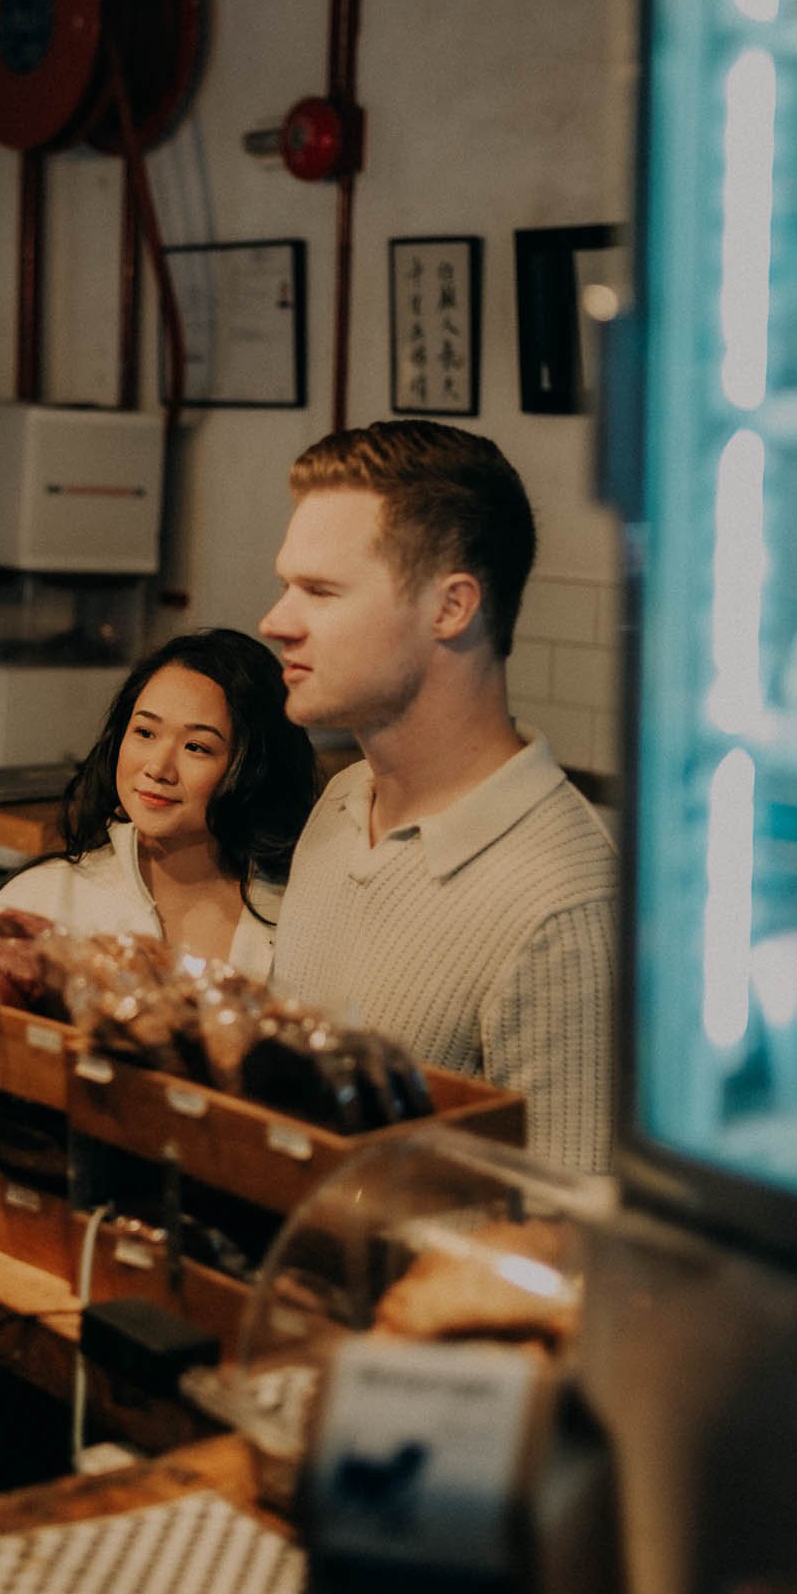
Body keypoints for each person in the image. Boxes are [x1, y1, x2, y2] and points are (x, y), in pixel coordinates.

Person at [260, 420, 619, 1170]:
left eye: (320, 591)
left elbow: (558, 1237)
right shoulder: (340, 806)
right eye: (285, 585)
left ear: (451, 608)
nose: (277, 621)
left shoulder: (563, 902)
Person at [0, 629, 319, 978]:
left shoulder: (299, 913)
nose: (158, 768)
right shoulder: (44, 897)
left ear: (254, 768)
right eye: (145, 733)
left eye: (196, 747)